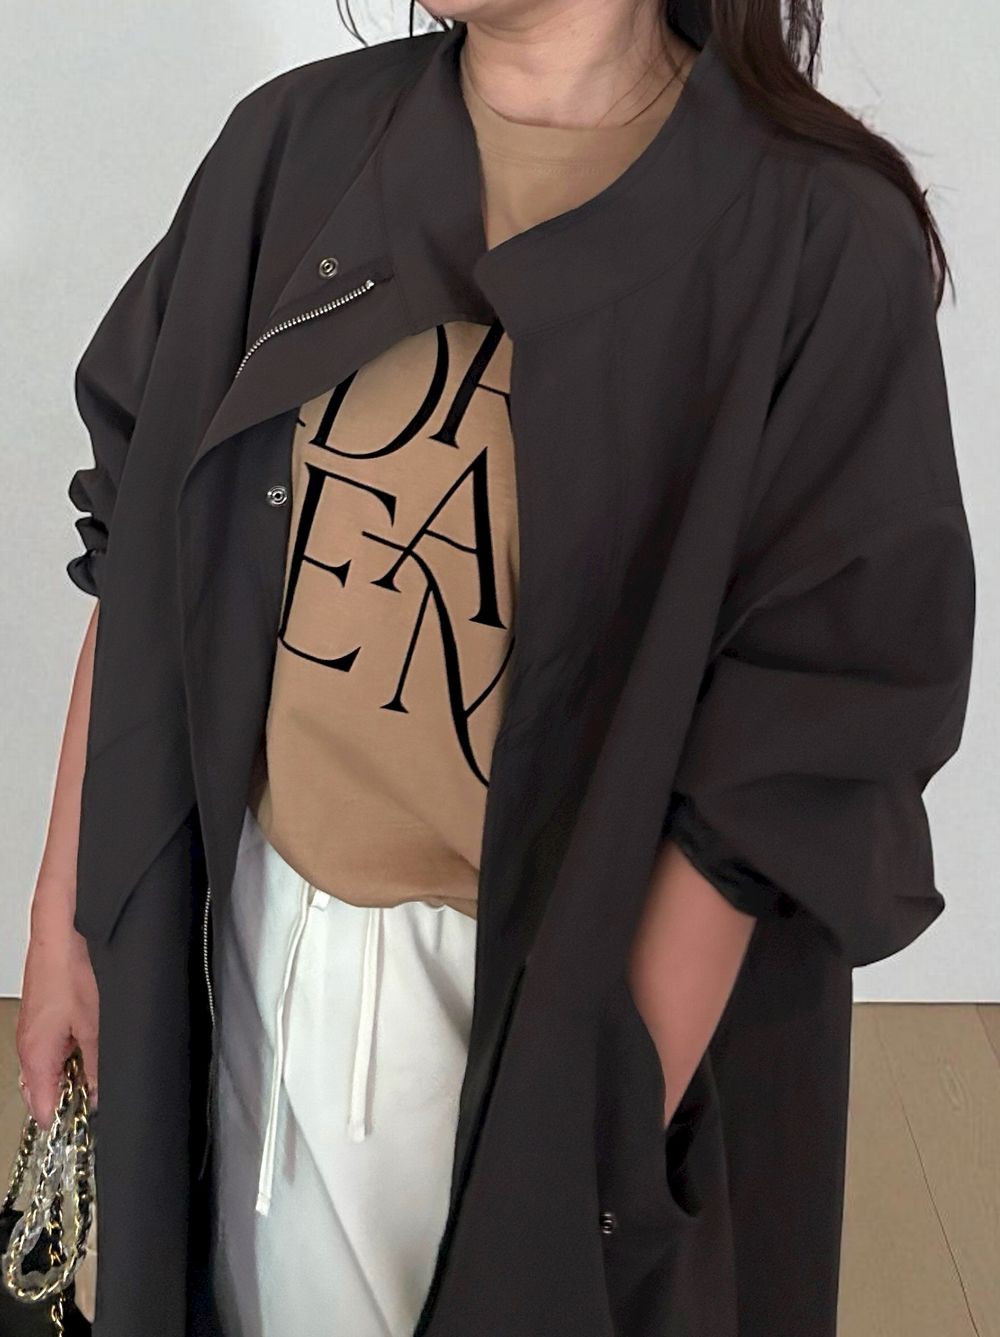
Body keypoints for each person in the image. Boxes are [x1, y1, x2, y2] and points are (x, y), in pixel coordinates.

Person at [16, 2, 976, 1336]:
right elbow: (141, 548)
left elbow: (805, 743)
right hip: (249, 951)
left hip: (537, 1012)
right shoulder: (291, 149)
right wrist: (65, 919)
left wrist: (598, 1129)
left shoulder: (815, 240)